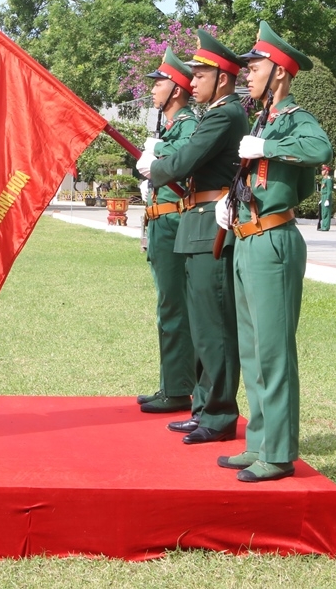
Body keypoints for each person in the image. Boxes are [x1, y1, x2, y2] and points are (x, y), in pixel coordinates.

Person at [215, 21, 333, 482]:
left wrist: (270, 146)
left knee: (274, 352)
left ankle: (280, 454)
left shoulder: (294, 119)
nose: (246, 75)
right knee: (253, 350)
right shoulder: (263, 118)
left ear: (279, 73)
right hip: (247, 239)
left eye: (255, 67)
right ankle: (260, 443)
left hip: (273, 241)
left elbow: (320, 147)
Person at [138, 30, 246, 445]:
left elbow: (184, 161)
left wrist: (158, 166)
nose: (192, 80)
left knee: (214, 327)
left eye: (200, 74)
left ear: (221, 79)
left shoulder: (223, 115)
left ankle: (217, 415)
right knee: (202, 326)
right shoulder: (217, 113)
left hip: (209, 224)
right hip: (197, 221)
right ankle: (203, 407)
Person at [135, 48, 199, 416]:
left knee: (173, 307)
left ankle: (177, 389)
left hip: (174, 222)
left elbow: (189, 155)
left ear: (176, 89)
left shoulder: (187, 124)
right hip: (162, 222)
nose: (154, 90)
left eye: (158, 84)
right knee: (168, 307)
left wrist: (157, 147)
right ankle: (170, 382)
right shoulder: (172, 126)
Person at [318, 165, 333, 231]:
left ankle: (326, 227)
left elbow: (329, 190)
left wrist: (327, 199)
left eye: (323, 170)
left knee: (326, 212)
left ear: (327, 171)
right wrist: (322, 199)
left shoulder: (328, 180)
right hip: (323, 196)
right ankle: (323, 226)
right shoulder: (324, 179)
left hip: (327, 197)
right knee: (323, 212)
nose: (322, 171)